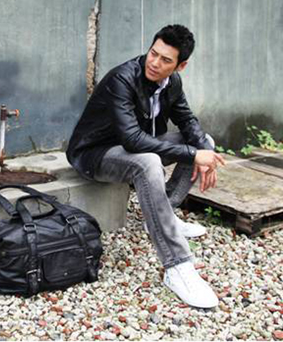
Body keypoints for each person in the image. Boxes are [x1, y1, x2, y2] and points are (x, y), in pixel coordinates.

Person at [66, 24, 225, 308]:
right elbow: (132, 139)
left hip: (135, 148)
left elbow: (187, 121)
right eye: (153, 53)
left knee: (205, 144)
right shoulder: (122, 79)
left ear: (181, 66)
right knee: (154, 161)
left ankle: (164, 217)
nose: (154, 62)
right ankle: (177, 265)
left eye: (165, 60)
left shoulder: (173, 83)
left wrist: (204, 151)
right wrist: (192, 155)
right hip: (95, 153)